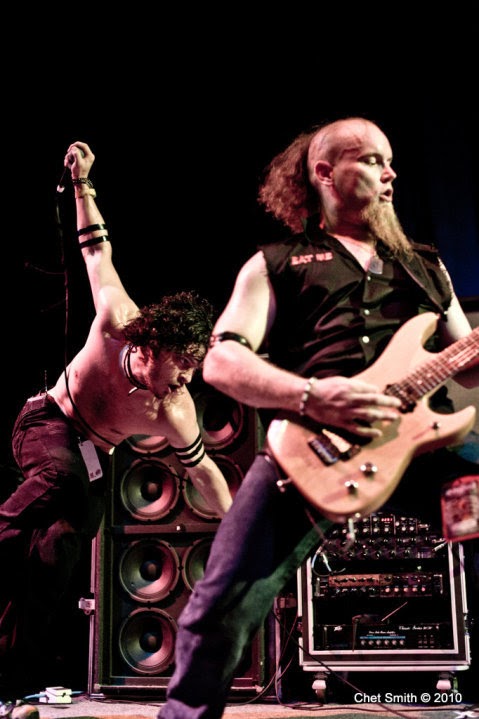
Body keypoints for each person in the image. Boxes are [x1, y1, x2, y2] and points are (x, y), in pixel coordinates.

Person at [158, 116, 479, 718]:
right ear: (325, 173)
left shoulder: (426, 266)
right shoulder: (275, 263)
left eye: (390, 161)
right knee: (219, 607)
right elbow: (222, 361)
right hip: (313, 450)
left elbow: (467, 364)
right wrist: (311, 395)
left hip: (424, 446)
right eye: (373, 161)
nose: (391, 174)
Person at [0, 141, 232, 698]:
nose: (187, 381)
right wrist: (83, 183)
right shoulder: (116, 320)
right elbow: (95, 248)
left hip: (90, 457)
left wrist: (236, 528)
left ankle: (10, 679)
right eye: (182, 365)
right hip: (46, 423)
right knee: (62, 477)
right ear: (151, 347)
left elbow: (203, 472)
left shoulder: (175, 409)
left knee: (58, 555)